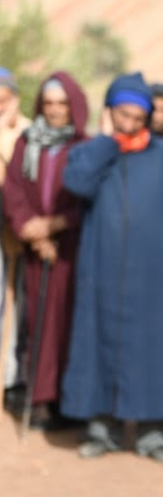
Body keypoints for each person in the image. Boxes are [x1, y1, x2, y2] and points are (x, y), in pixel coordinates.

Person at [60, 72, 163, 465]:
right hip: (101, 273)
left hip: (158, 276)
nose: (131, 124)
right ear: (109, 112)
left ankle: (155, 435)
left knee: (156, 351)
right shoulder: (92, 152)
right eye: (123, 115)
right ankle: (104, 431)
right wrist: (106, 142)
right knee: (100, 346)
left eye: (139, 117)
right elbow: (78, 184)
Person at [3, 72, 88, 430]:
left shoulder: (84, 146)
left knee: (71, 322)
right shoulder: (27, 142)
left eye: (62, 104)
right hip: (36, 250)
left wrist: (55, 225)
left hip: (72, 250)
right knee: (38, 322)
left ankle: (70, 403)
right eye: (49, 104)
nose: (55, 111)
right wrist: (32, 231)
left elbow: (87, 197)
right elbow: (13, 189)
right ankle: (40, 399)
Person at [0, 67, 31, 405]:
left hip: (19, 232)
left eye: (3, 101)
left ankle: (15, 380)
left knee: (20, 306)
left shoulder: (28, 132)